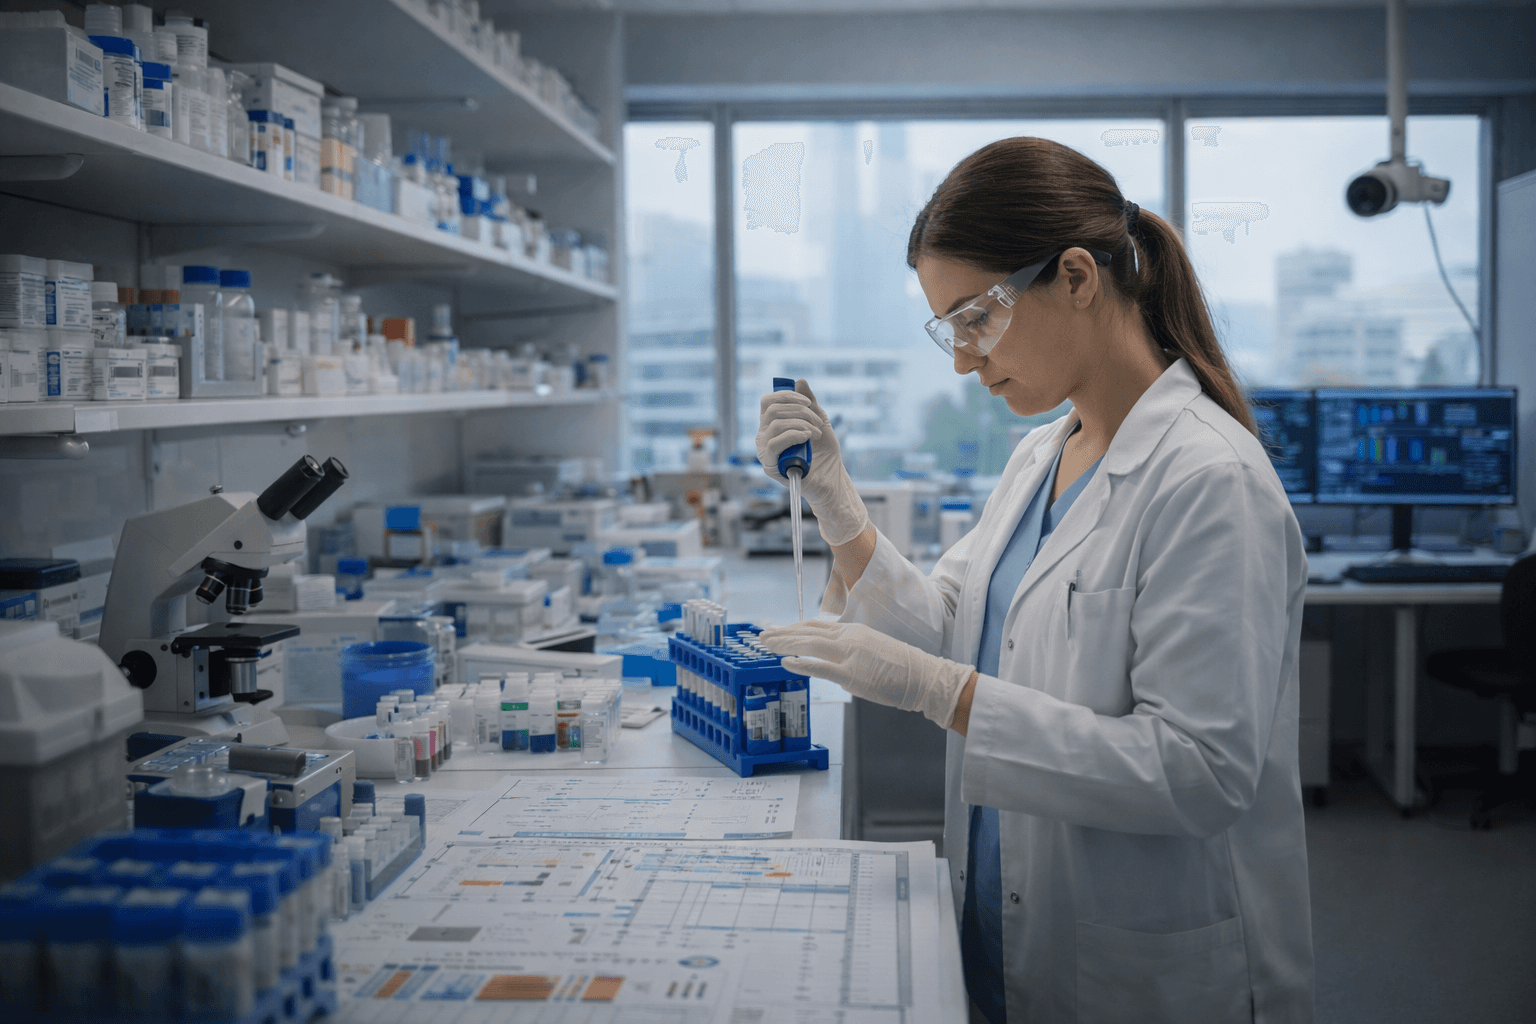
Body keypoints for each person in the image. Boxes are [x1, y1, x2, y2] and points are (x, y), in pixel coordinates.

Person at [756, 137, 1314, 1024]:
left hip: (1144, 973)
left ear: (1079, 278)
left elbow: (1199, 773)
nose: (962, 360)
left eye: (975, 318)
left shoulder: (1211, 480)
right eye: (949, 329)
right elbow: (953, 627)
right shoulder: (1041, 454)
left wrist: (942, 692)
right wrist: (836, 502)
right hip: (1009, 923)